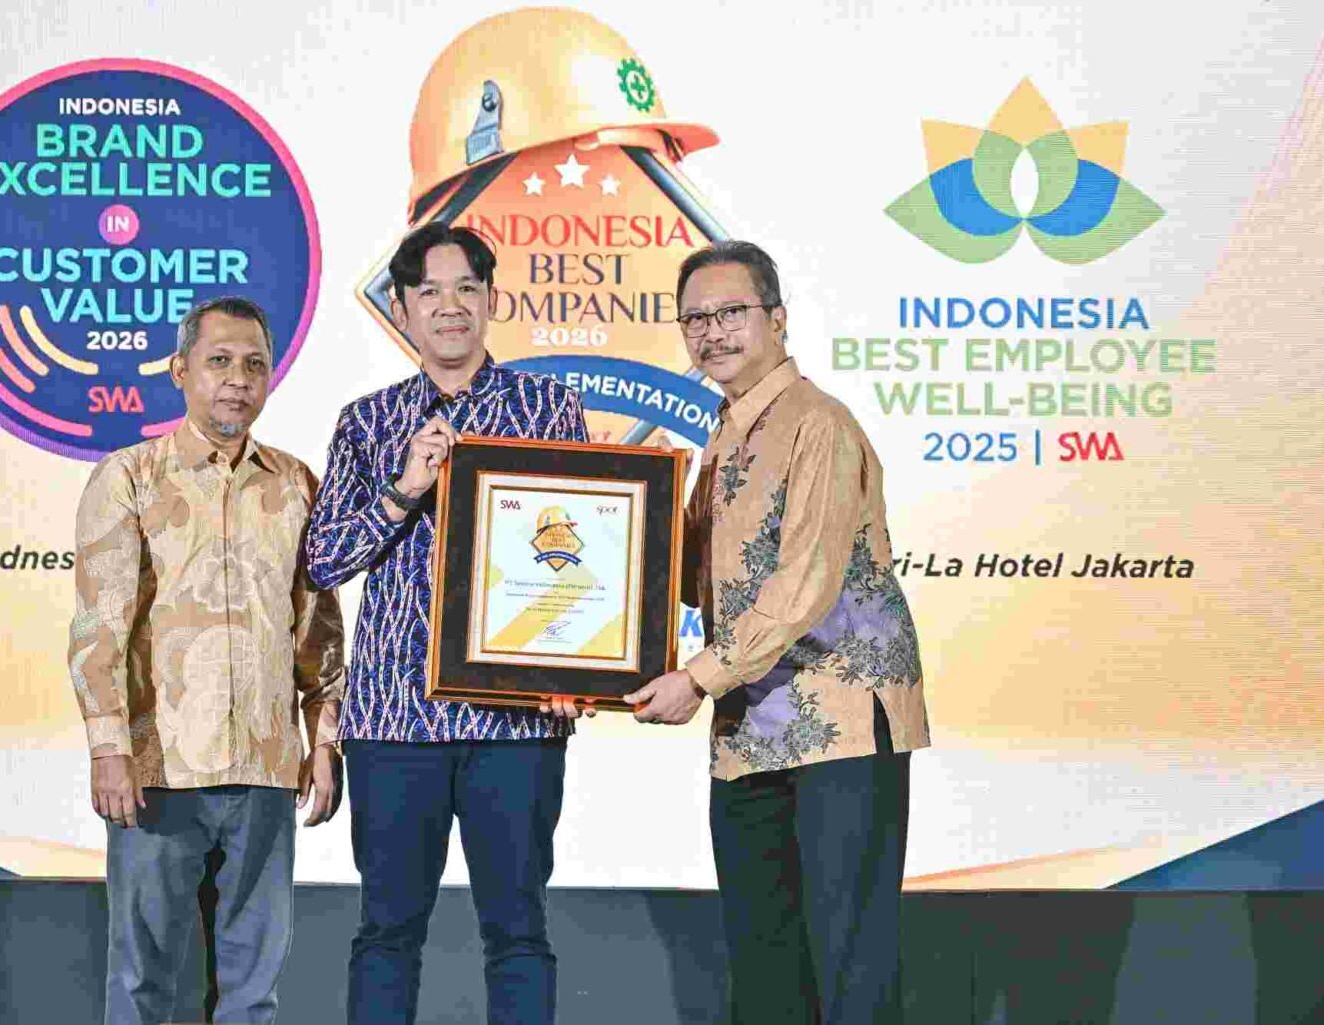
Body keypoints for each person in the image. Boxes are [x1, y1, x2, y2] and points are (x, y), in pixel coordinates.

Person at [625, 241, 930, 1025]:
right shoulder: (724, 433)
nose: (712, 332)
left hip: (839, 725)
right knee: (764, 961)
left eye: (731, 312)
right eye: (695, 319)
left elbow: (802, 586)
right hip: (749, 729)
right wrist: (626, 517)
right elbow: (693, 579)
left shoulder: (817, 424)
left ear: (778, 318)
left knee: (848, 964)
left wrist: (696, 678)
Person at [306, 223, 590, 1025]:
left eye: (466, 287)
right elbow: (324, 560)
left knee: (519, 931)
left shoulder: (548, 409)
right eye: (428, 291)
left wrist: (576, 671)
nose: (450, 305)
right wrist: (402, 490)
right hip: (394, 720)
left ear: (492, 299)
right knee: (387, 932)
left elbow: (590, 555)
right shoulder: (367, 422)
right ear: (401, 309)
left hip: (517, 718)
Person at [68, 296, 345, 1025]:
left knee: (253, 992)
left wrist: (324, 740)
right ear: (180, 370)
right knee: (143, 983)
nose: (237, 380)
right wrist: (108, 749)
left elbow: (318, 629)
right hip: (160, 772)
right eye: (219, 361)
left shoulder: (296, 483)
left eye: (255, 365)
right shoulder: (129, 476)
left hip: (265, 772)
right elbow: (99, 630)